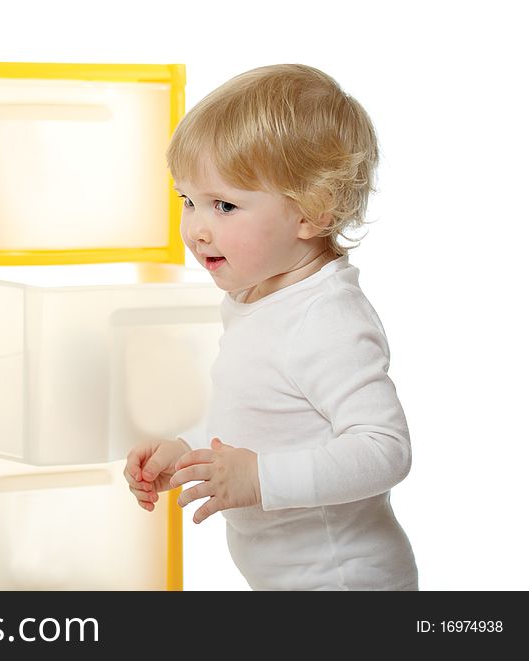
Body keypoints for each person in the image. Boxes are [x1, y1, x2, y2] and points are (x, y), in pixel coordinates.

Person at [123, 63, 418, 590]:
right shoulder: (259, 298)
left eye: (225, 205)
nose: (196, 228)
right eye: (187, 200)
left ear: (313, 211)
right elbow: (261, 416)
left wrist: (259, 479)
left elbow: (384, 449)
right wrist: (185, 454)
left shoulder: (326, 320)